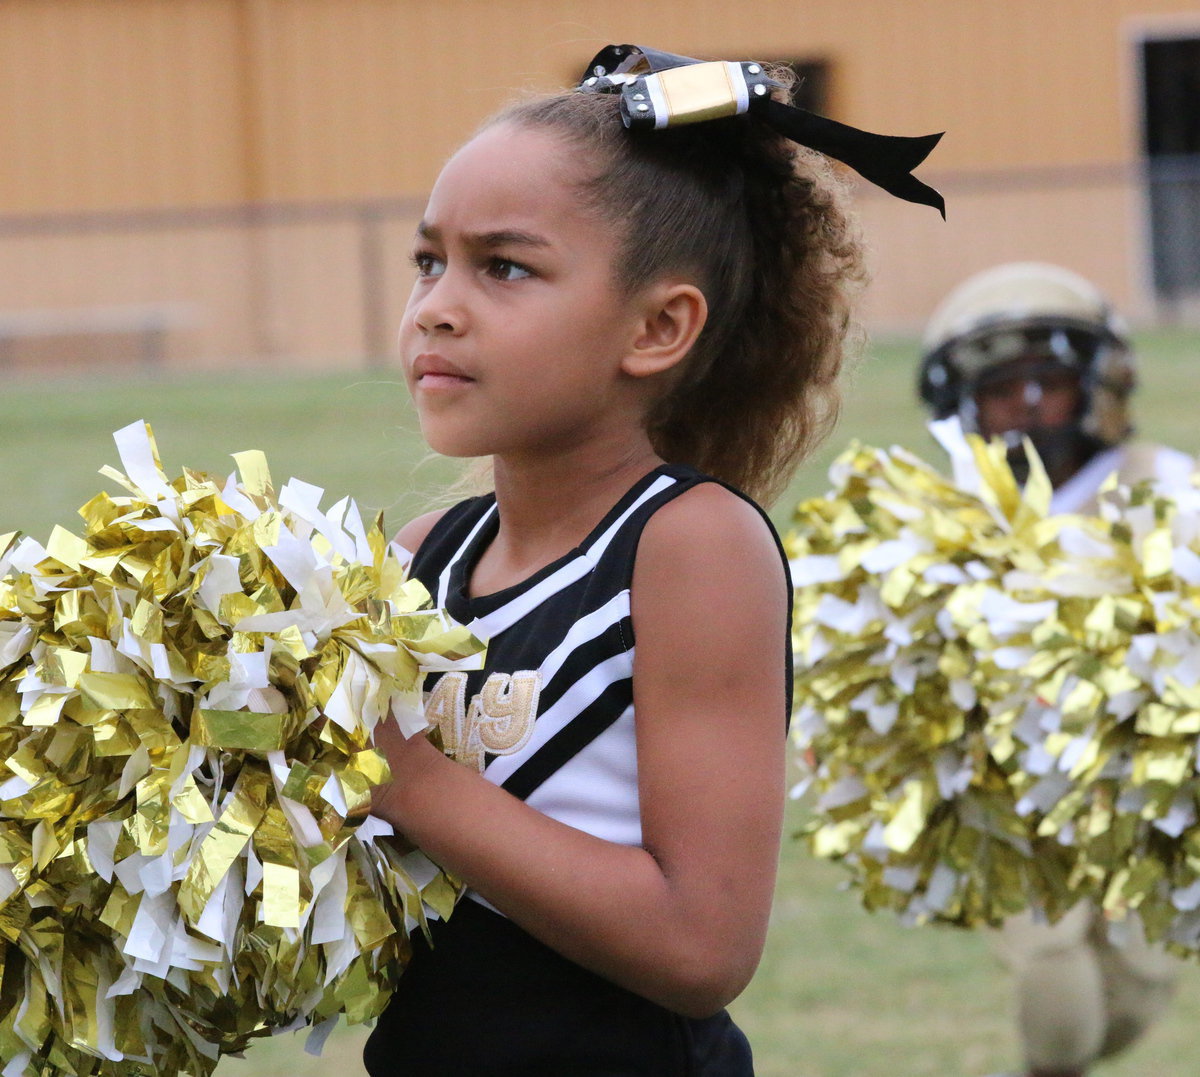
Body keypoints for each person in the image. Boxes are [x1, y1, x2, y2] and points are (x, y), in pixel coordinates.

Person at [360, 43, 941, 1076]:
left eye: (504, 267)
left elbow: (703, 944)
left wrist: (408, 782)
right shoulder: (422, 561)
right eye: (427, 261)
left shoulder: (688, 547)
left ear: (659, 326)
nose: (437, 306)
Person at [918, 261, 1187, 1077]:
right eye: (1004, 387)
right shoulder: (952, 514)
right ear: (966, 404)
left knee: (1135, 990)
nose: (1028, 405)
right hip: (1007, 787)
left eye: (1048, 381)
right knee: (1057, 985)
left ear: (1100, 385)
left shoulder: (1167, 488)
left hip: (1144, 784)